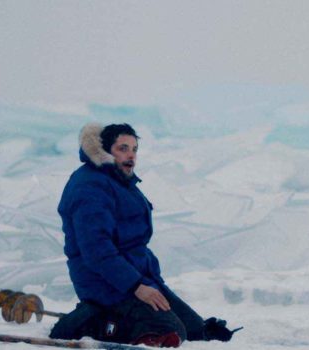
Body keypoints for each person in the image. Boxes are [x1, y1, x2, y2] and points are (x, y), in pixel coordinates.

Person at [50, 123, 238, 347]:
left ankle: (121, 316)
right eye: (123, 148)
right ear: (105, 151)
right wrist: (136, 286)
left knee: (196, 329)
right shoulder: (89, 187)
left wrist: (146, 284)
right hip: (104, 282)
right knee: (170, 332)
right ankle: (87, 321)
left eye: (134, 149)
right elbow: (97, 250)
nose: (131, 155)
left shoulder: (120, 180)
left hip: (136, 278)